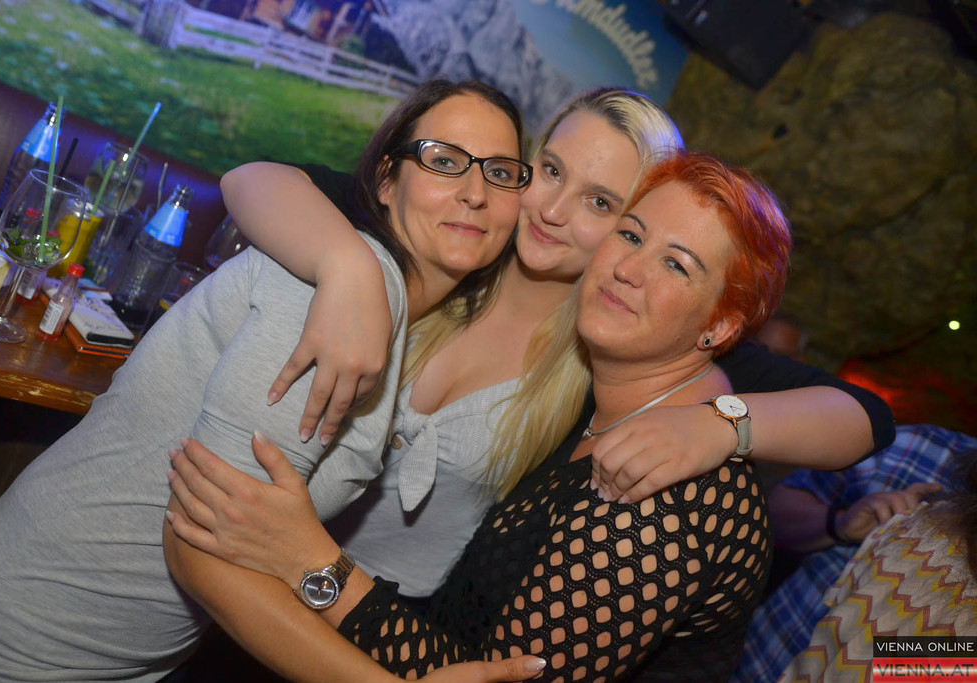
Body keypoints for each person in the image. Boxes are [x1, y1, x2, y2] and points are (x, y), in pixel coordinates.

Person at [217, 87, 895, 599]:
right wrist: (349, 269)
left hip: (372, 629)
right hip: (242, 559)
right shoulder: (454, 248)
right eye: (551, 170)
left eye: (601, 203)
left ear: (636, 224)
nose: (551, 210)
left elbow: (864, 416)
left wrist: (720, 424)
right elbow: (253, 178)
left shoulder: (612, 352)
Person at [0, 79, 527, 681]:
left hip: (97, 648)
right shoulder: (342, 296)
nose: (475, 193)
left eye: (500, 173)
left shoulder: (391, 310)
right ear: (387, 180)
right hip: (26, 633)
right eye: (444, 161)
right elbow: (204, 542)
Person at [168, 151, 795, 680]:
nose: (627, 268)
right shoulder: (594, 413)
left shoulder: (670, 489)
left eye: (676, 264)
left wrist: (309, 558)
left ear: (719, 326)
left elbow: (504, 676)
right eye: (630, 235)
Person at [735, 423, 977, 682]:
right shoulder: (913, 446)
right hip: (752, 659)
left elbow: (887, 663)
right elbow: (767, 517)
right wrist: (838, 524)